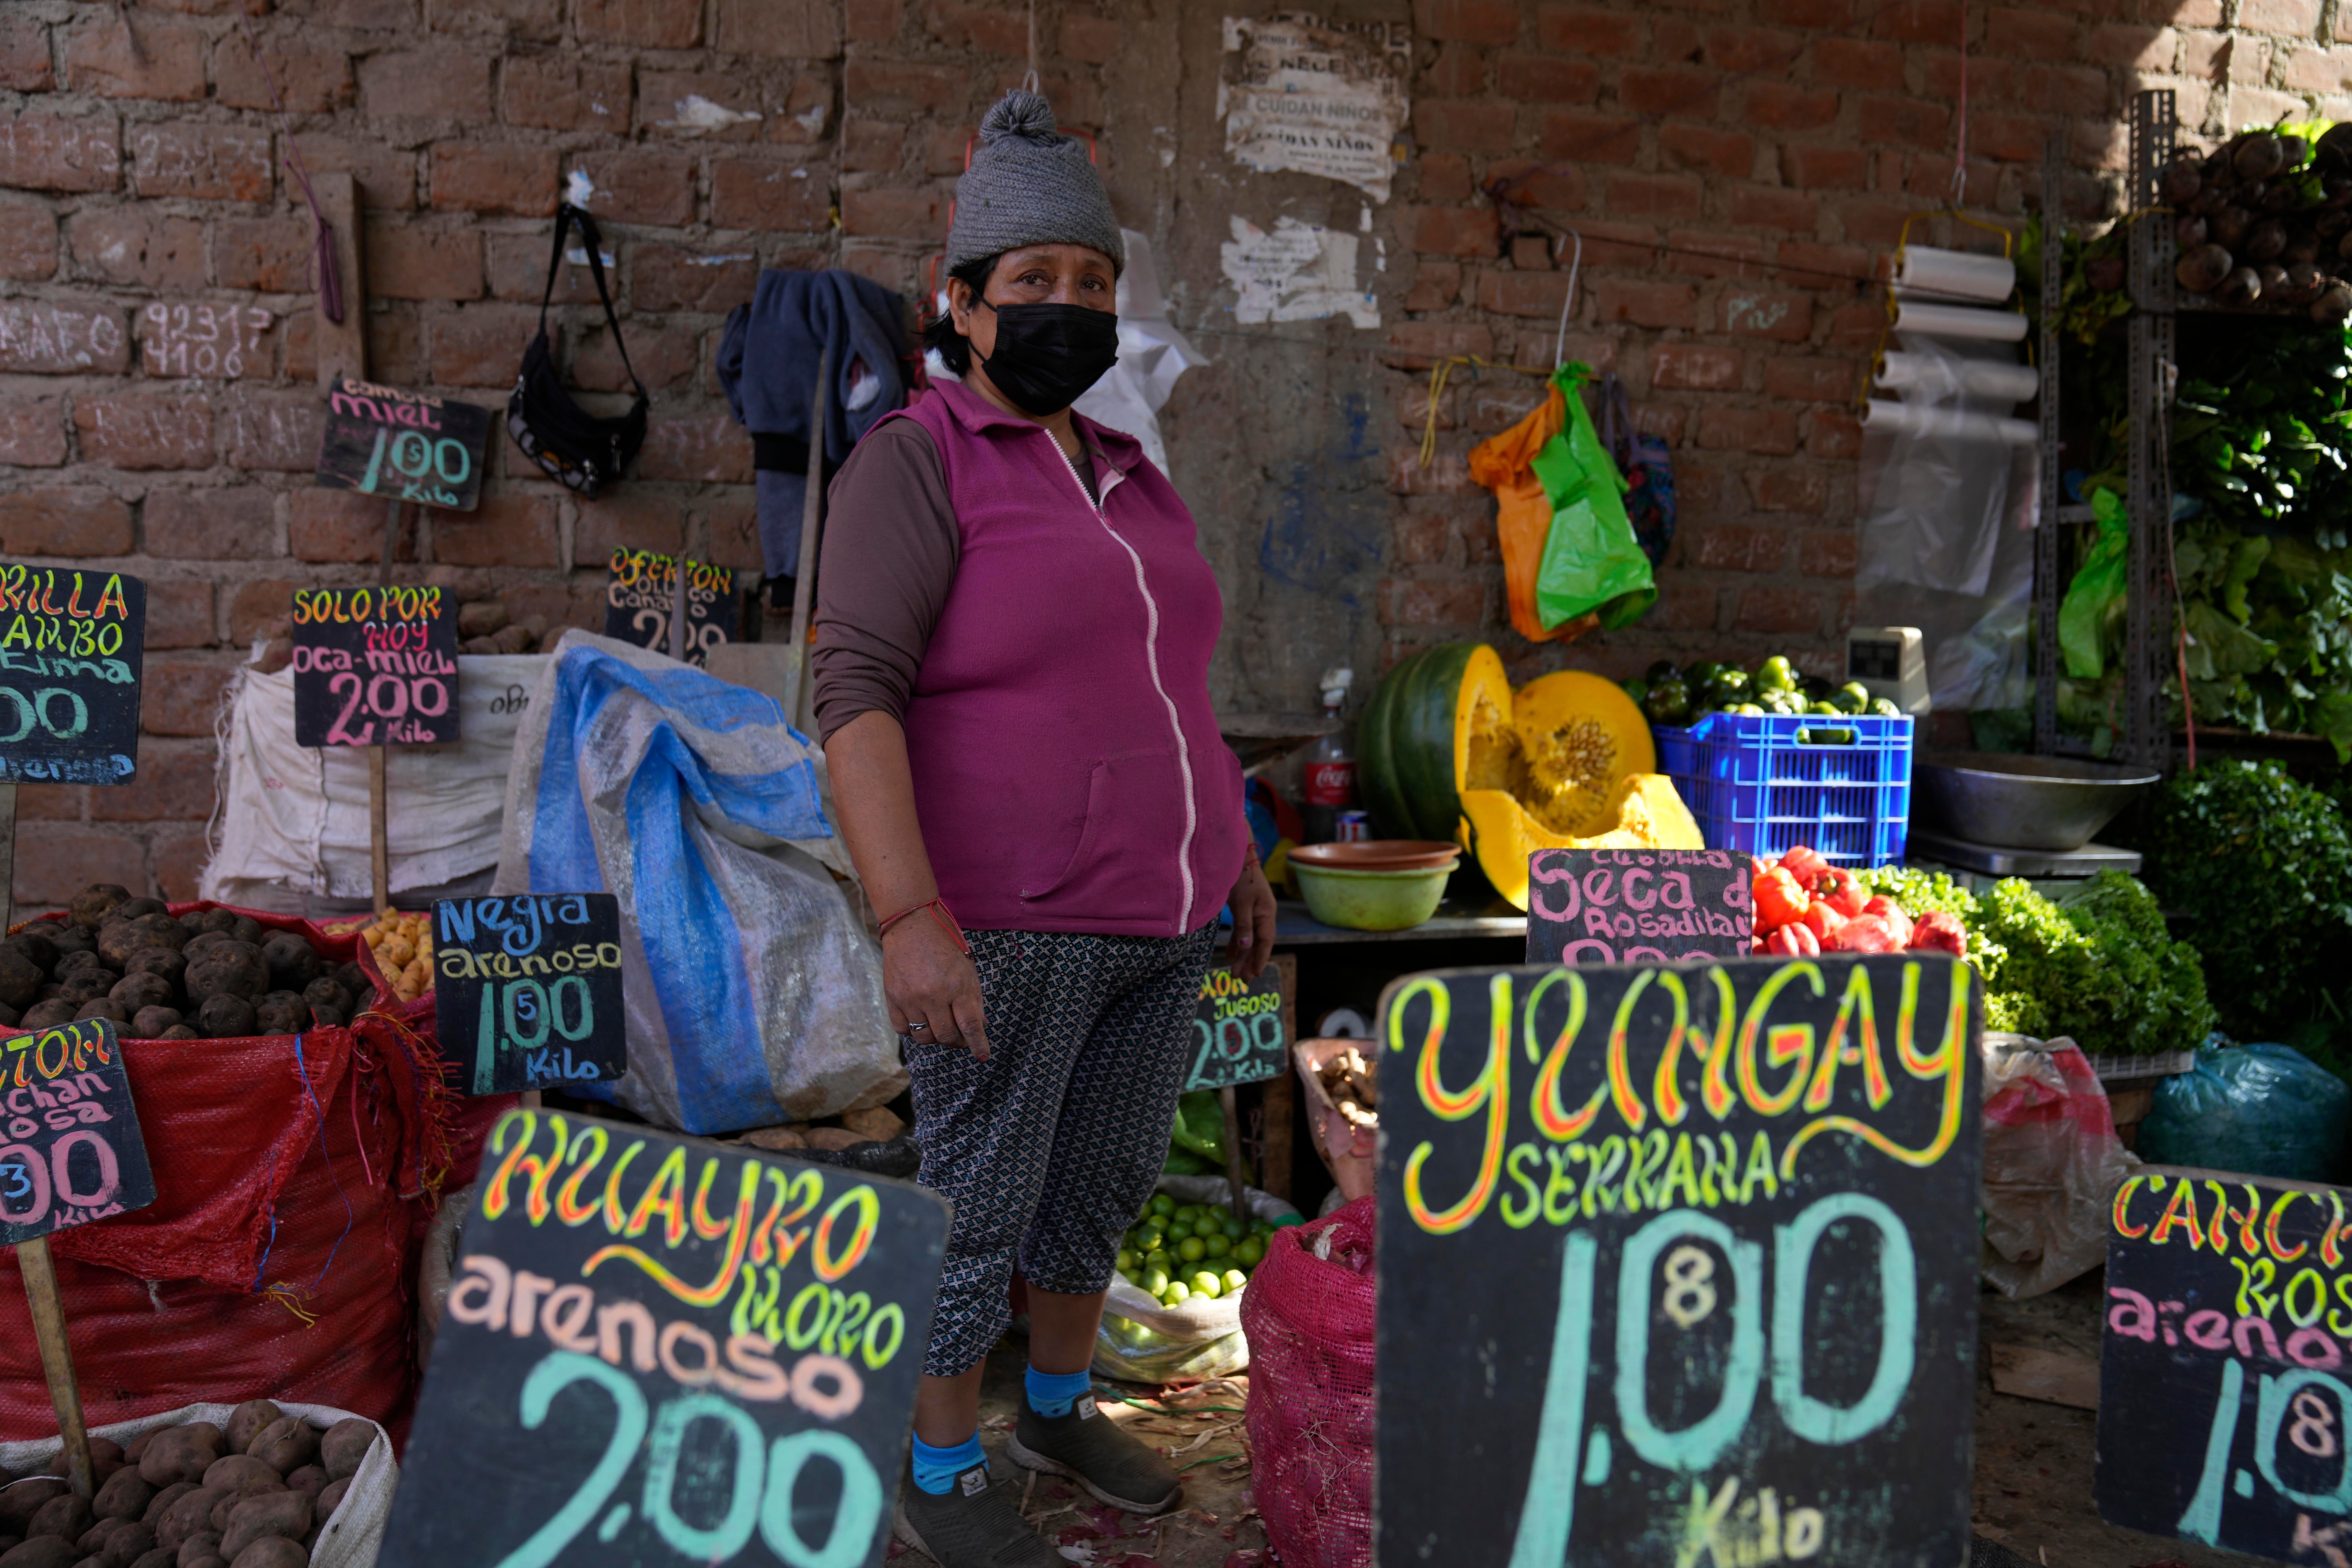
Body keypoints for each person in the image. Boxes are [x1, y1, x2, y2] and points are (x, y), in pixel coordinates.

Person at [811, 88, 1278, 1568]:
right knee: (977, 1199)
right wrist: (906, 914)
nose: (1070, 306)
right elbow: (853, 696)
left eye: (1092, 283)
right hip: (1004, 921)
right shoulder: (919, 459)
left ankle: (1062, 1405)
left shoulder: (1134, 478)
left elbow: (1172, 689)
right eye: (1035, 284)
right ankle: (942, 1469)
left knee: (1105, 1186)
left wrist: (1236, 848)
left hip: (1163, 914)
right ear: (963, 302)